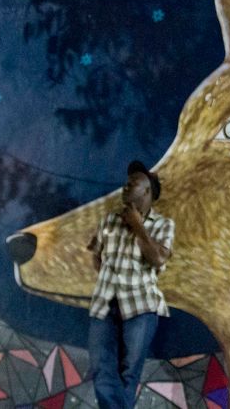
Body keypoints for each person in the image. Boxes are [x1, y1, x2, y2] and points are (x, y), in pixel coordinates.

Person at [87, 160, 175, 409]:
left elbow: (157, 258)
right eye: (126, 183)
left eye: (133, 183)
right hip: (105, 304)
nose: (126, 187)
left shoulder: (163, 225)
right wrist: (110, 279)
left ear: (147, 191)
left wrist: (138, 226)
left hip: (141, 308)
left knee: (128, 376)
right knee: (102, 372)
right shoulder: (108, 221)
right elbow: (96, 256)